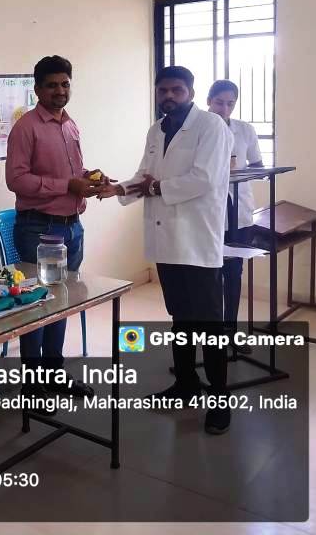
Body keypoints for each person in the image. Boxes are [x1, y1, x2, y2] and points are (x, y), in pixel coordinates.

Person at [99, 66, 234, 435]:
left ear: (191, 92)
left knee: (209, 324)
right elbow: (144, 175)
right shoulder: (156, 129)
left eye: (176, 90)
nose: (169, 96)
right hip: (166, 241)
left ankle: (220, 400)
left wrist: (156, 187)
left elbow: (204, 179)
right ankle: (187, 384)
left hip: (197, 240)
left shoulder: (211, 126)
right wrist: (119, 189)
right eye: (163, 90)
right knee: (181, 318)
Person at [5, 55, 106, 401]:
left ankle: (53, 374)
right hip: (39, 229)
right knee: (37, 304)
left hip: (72, 227)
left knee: (60, 302)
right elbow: (16, 180)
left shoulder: (69, 124)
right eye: (51, 85)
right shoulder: (26, 128)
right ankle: (33, 386)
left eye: (65, 84)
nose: (59, 90)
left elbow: (72, 174)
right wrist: (67, 186)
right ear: (37, 89)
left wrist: (91, 179)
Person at [207, 79, 264, 354]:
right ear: (209, 101)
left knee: (234, 273)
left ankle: (231, 332)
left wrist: (240, 173)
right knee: (210, 274)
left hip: (239, 211)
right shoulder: (200, 129)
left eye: (230, 104)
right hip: (208, 213)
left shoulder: (245, 130)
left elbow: (258, 166)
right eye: (219, 102)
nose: (225, 109)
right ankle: (212, 333)